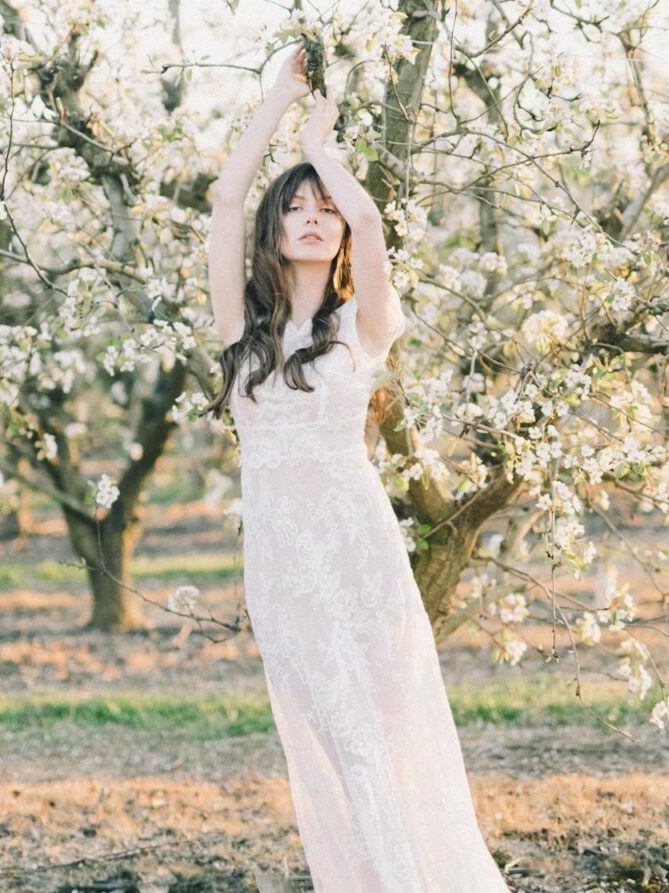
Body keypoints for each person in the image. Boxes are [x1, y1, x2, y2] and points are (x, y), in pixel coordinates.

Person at [202, 45, 512, 892]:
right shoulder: (240, 331)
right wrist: (276, 102)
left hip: (359, 550)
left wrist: (323, 140)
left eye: (323, 208)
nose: (311, 216)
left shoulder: (362, 326)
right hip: (284, 564)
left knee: (390, 729)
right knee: (337, 742)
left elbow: (374, 224)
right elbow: (227, 197)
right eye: (294, 207)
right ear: (275, 230)